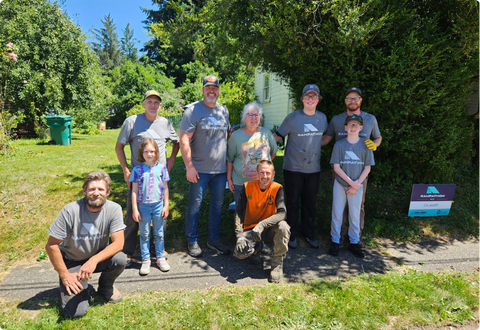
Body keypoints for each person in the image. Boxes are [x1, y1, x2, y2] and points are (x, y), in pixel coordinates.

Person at [45, 171, 126, 318]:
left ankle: (105, 287)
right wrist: (65, 275)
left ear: (107, 192)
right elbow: (51, 245)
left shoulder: (114, 209)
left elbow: (119, 242)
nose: (96, 193)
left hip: (97, 260)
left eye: (101, 189)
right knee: (75, 313)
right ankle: (76, 285)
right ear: (84, 191)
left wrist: (93, 260)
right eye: (91, 189)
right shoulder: (70, 211)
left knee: (120, 259)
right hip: (72, 261)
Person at [115, 90, 179, 267]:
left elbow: (177, 142)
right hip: (138, 179)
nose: (153, 105)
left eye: (156, 102)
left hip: (158, 179)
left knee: (160, 215)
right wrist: (126, 171)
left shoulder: (165, 123)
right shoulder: (132, 121)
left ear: (160, 105)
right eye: (149, 101)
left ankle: (158, 252)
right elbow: (119, 147)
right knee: (133, 215)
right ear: (143, 103)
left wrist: (171, 159)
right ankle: (128, 251)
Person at [322, 87, 382, 247]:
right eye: (349, 98)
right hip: (341, 171)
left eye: (356, 98)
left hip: (360, 173)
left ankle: (356, 238)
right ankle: (339, 237)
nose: (353, 101)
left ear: (361, 100)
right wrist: (306, 144)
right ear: (345, 101)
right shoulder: (336, 120)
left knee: (358, 206)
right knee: (338, 206)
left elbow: (378, 137)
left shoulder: (370, 119)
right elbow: (326, 139)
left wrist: (375, 145)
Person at [179, 75, 231, 257]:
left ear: (218, 90)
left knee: (217, 206)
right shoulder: (192, 111)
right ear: (202, 90)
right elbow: (184, 139)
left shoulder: (224, 111)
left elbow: (227, 137)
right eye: (208, 87)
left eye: (214, 88)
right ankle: (192, 240)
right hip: (199, 170)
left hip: (220, 171)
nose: (211, 91)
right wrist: (189, 166)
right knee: (195, 205)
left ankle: (213, 240)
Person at [273, 84, 328, 249]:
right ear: (302, 99)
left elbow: (324, 138)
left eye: (314, 96)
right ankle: (291, 235)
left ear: (318, 99)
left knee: (310, 203)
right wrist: (259, 145)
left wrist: (316, 146)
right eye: (307, 96)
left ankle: (309, 234)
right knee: (292, 203)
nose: (310, 99)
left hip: (313, 170)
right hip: (293, 169)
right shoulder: (292, 118)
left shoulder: (322, 118)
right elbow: (276, 137)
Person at [233, 160, 289, 283]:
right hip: (251, 229)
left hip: (269, 228)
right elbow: (238, 212)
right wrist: (239, 236)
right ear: (257, 173)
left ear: (273, 174)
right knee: (240, 252)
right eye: (262, 173)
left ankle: (276, 264)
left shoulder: (277, 188)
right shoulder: (247, 187)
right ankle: (256, 249)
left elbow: (282, 213)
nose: (264, 176)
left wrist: (262, 224)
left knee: (284, 227)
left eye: (268, 173)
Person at [328, 115, 375, 258]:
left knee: (354, 214)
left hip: (357, 185)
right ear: (345, 128)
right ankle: (335, 241)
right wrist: (350, 183)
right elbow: (336, 167)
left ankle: (354, 242)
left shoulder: (365, 145)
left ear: (361, 128)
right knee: (337, 212)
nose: (353, 128)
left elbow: (367, 168)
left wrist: (356, 185)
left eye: (356, 125)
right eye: (350, 125)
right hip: (341, 184)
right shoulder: (339, 145)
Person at [130, 138, 171, 275]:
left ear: (156, 153)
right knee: (145, 234)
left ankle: (160, 258)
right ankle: (146, 260)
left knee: (159, 233)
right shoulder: (137, 170)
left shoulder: (162, 168)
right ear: (141, 153)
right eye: (146, 151)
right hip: (143, 207)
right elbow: (134, 190)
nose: (149, 154)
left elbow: (165, 188)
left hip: (159, 205)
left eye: (152, 151)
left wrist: (166, 205)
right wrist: (135, 208)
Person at [227, 102, 278, 205]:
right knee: (243, 214)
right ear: (244, 117)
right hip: (241, 184)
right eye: (250, 115)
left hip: (264, 182)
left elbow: (273, 152)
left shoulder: (266, 133)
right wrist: (229, 179)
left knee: (263, 212)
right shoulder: (235, 136)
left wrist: (264, 167)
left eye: (257, 115)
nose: (254, 118)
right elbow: (230, 159)